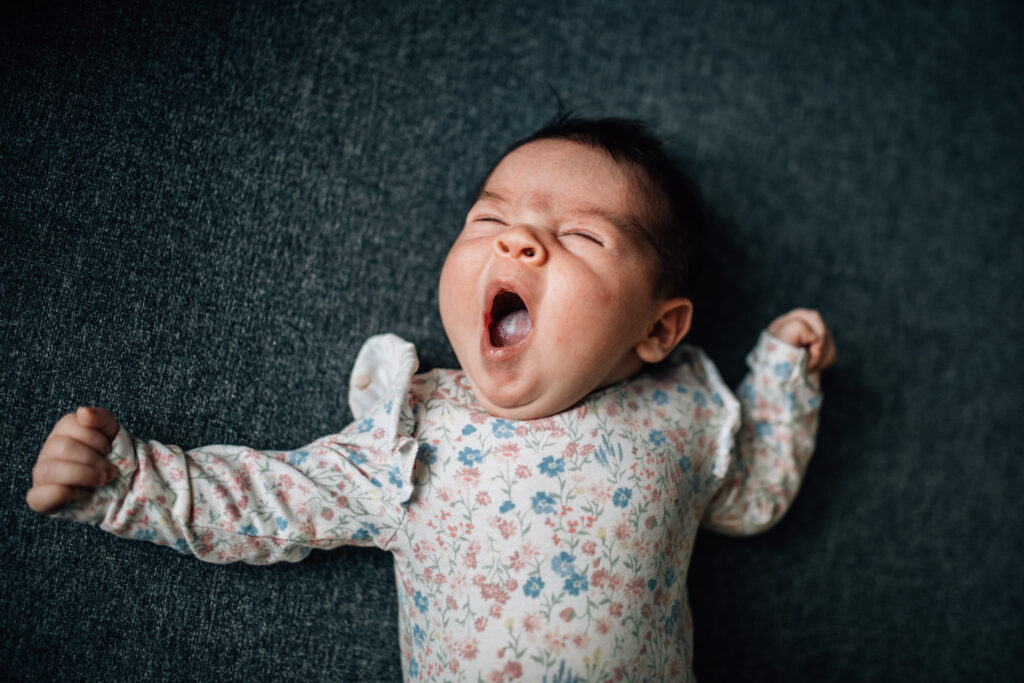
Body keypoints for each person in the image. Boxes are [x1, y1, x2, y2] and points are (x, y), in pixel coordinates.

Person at [27, 115, 836, 681]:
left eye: (584, 236)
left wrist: (782, 376)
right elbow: (273, 497)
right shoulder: (414, 429)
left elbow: (754, 494)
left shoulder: (682, 414)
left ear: (658, 330)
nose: (522, 240)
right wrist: (127, 482)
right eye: (492, 218)